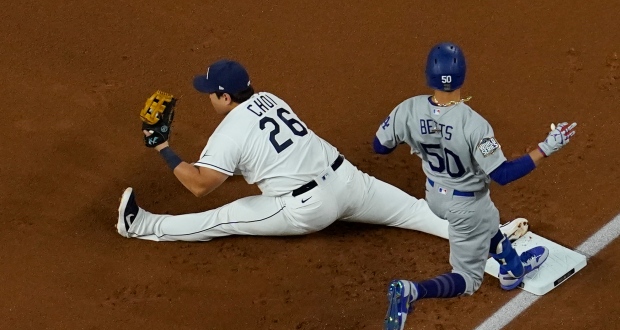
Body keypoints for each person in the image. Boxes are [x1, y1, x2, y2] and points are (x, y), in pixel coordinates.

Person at [115, 59, 464, 243]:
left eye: (210, 93)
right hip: (349, 181)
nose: (206, 98)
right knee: (415, 212)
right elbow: (256, 152)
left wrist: (162, 146)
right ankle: (494, 239)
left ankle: (142, 225)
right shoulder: (271, 98)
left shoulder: (227, 135)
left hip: (307, 209)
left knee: (223, 218)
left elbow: (200, 186)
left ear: (225, 97)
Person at [375, 42, 577, 330]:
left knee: (488, 221)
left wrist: (421, 141)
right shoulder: (474, 125)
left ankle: (513, 269)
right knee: (467, 279)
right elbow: (503, 175)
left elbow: (380, 146)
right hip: (465, 207)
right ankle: (412, 291)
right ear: (463, 76)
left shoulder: (407, 109)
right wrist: (546, 148)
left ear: (428, 75)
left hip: (434, 196)